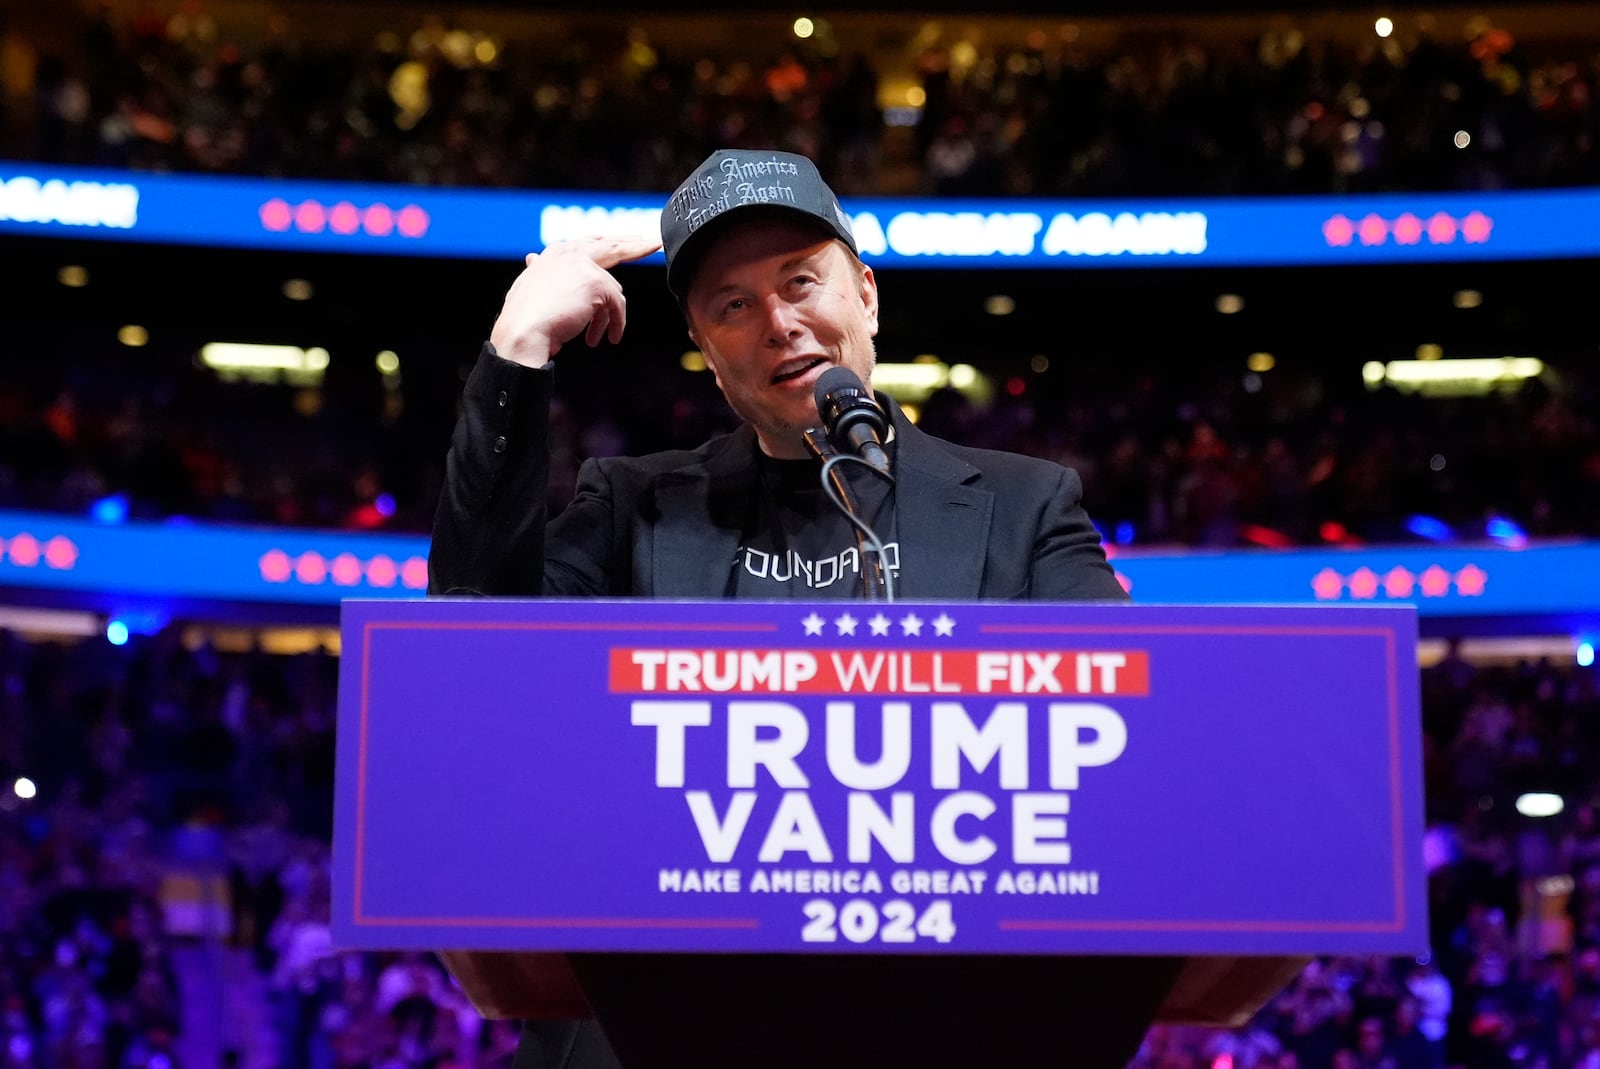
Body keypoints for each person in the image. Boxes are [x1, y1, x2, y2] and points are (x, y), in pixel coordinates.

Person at [429, 149, 1175, 1068]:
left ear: (865, 292)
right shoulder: (631, 504)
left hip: (939, 1023)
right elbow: (465, 656)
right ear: (705, 349)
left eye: (801, 281)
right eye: (733, 306)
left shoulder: (1027, 508)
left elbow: (1129, 762)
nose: (779, 324)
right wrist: (518, 351)